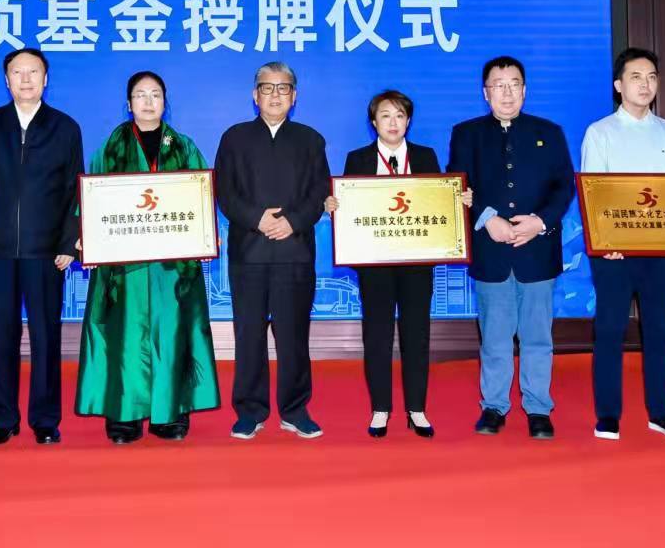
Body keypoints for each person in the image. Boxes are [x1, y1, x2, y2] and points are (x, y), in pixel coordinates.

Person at [75, 71, 220, 444]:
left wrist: (205, 235)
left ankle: (169, 413)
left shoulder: (183, 146)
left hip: (173, 267)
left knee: (172, 333)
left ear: (165, 102)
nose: (148, 101)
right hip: (124, 266)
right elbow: (91, 200)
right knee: (123, 334)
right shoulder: (110, 148)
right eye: (140, 94)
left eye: (156, 94)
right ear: (128, 104)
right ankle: (124, 415)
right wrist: (86, 235)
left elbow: (201, 196)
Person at [581, 47, 665, 441]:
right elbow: (594, 194)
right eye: (636, 77)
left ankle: (660, 412)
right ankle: (608, 415)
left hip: (660, 250)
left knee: (659, 332)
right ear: (618, 85)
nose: (645, 84)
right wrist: (606, 240)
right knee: (609, 331)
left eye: (652, 77)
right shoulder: (600, 132)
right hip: (614, 252)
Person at [324, 90, 472, 439]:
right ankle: (380, 409)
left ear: (408, 121)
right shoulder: (358, 158)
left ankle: (416, 409)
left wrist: (459, 199)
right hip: (374, 264)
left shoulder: (425, 156)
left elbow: (438, 203)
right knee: (376, 335)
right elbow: (350, 209)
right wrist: (334, 207)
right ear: (373, 122)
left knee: (416, 334)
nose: (393, 122)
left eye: (400, 116)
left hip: (416, 263)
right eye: (385, 116)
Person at [0, 48, 83, 446]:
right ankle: (2, 419)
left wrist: (69, 242)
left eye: (33, 72)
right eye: (18, 72)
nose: (26, 79)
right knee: (0, 336)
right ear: (6, 80)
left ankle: (45, 420)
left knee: (46, 336)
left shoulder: (65, 128)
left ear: (46, 79)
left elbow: (74, 191)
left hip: (46, 251)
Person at [448, 56, 574, 440]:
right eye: (498, 85)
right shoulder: (467, 133)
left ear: (525, 89)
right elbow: (458, 184)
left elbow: (564, 186)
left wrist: (540, 222)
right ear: (485, 93)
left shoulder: (548, 132)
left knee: (538, 336)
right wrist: (489, 219)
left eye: (514, 84)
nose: (507, 92)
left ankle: (538, 408)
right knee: (495, 336)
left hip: (538, 249)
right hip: (492, 249)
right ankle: (493, 407)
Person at [214, 62, 330, 440]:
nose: (275, 95)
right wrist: (257, 219)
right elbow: (224, 191)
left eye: (283, 88)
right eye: (267, 88)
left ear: (294, 96)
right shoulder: (234, 138)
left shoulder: (311, 140)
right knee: (249, 335)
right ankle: (250, 410)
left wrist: (292, 222)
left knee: (293, 336)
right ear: (255, 95)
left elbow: (320, 192)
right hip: (248, 252)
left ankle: (295, 410)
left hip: (295, 252)